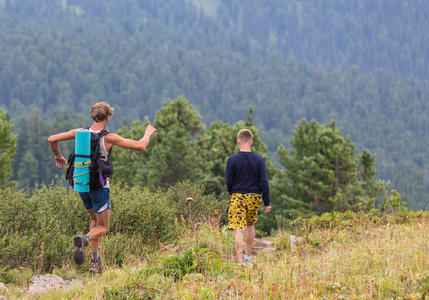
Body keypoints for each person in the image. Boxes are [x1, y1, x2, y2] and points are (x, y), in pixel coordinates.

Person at [48, 102, 156, 273]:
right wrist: (147, 133)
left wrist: (58, 155)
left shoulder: (79, 133)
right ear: (107, 117)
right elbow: (141, 146)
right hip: (100, 187)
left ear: (93, 116)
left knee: (94, 220)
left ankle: (94, 261)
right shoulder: (109, 137)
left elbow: (52, 139)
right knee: (103, 227)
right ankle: (85, 239)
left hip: (82, 185)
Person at [225, 129, 271, 264]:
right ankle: (248, 256)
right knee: (251, 224)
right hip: (255, 197)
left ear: (238, 141)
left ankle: (239, 260)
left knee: (239, 229)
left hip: (238, 196)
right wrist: (267, 202)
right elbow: (264, 182)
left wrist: (232, 192)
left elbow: (229, 181)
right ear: (251, 142)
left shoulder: (232, 159)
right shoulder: (259, 159)